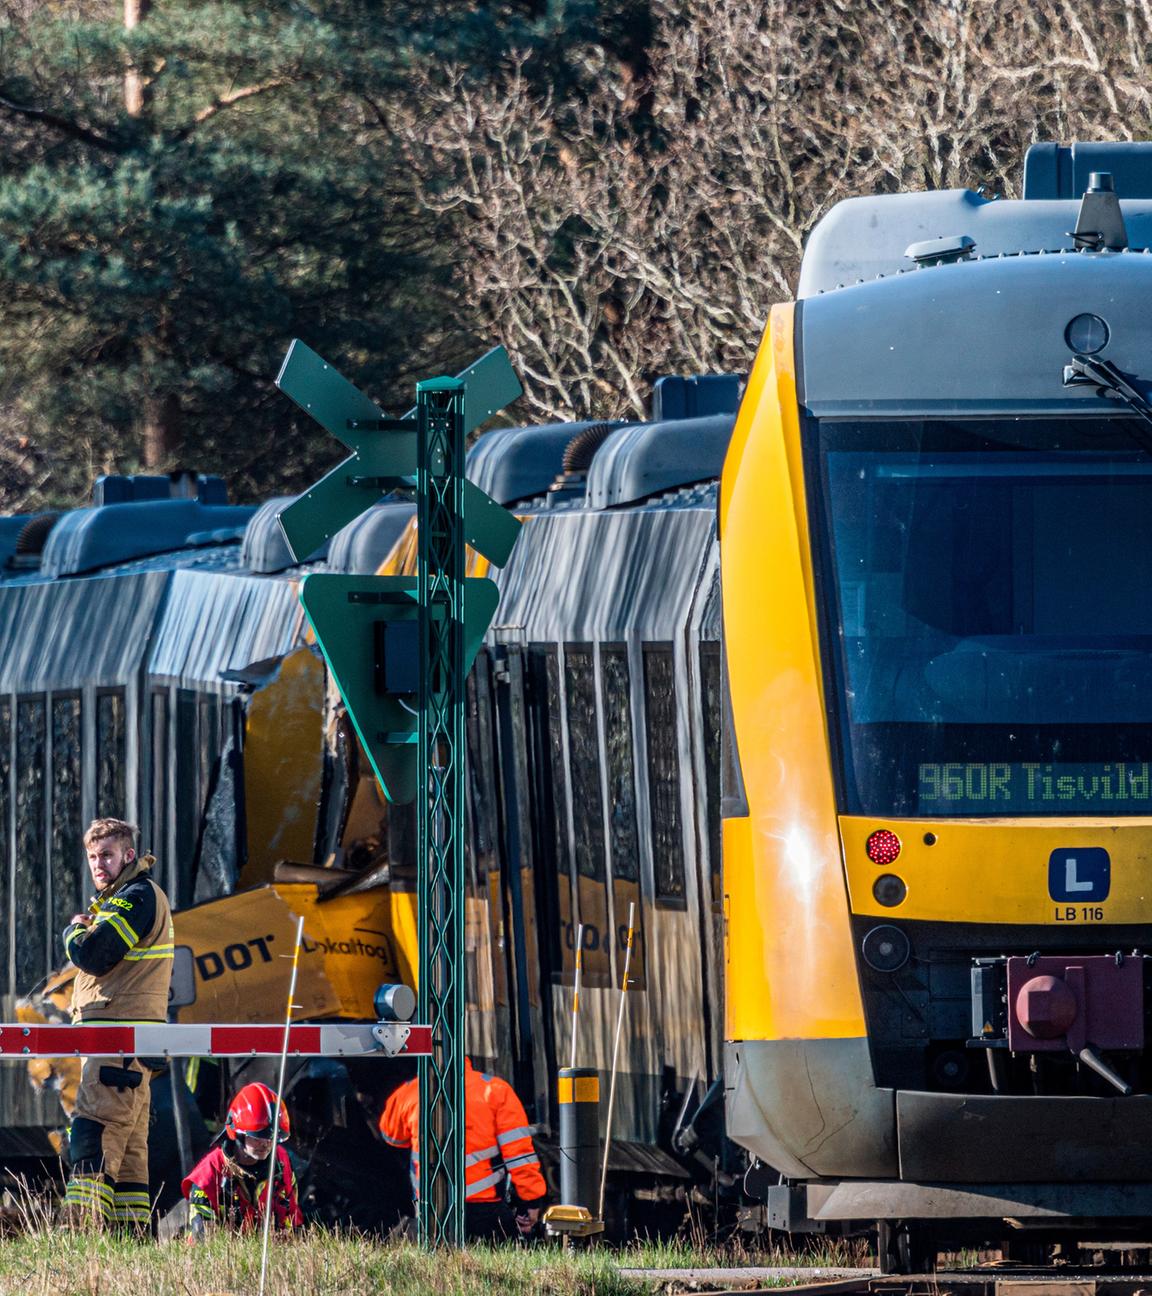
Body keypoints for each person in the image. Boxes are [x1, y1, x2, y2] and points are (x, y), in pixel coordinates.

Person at [61, 818, 174, 1229]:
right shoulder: (127, 898)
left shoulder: (136, 896)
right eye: (92, 856)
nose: (98, 864)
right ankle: (129, 1241)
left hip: (117, 1038)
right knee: (127, 1156)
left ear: (128, 855)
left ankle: (80, 1237)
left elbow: (94, 954)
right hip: (128, 1042)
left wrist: (73, 933)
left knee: (93, 1135)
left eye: (106, 854)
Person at [379, 1059, 546, 1239]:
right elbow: (519, 1155)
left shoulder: (411, 1091)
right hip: (485, 1209)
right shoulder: (496, 1090)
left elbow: (392, 1137)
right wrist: (530, 1201)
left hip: (431, 1206)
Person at [182, 1082, 303, 1236]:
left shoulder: (281, 1160)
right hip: (225, 1256)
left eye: (272, 1138)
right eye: (258, 1137)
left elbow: (293, 1221)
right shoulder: (208, 1175)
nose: (266, 1144)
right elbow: (204, 1245)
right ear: (236, 1133)